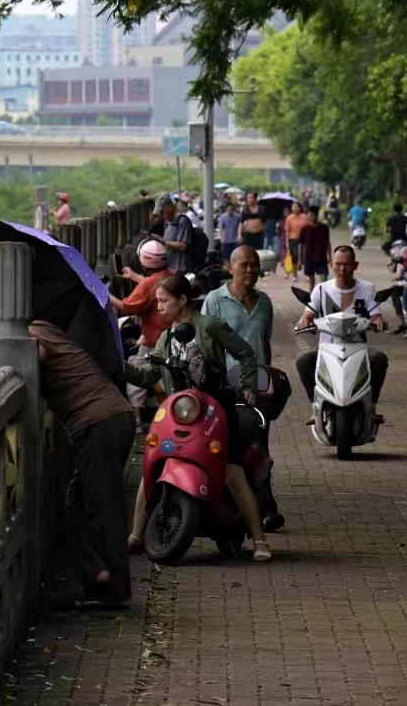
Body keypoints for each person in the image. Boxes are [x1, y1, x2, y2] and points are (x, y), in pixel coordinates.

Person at [127, 274, 273, 562]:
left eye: (163, 301)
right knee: (153, 466)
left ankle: (260, 540)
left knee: (231, 473)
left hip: (215, 412)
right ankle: (135, 535)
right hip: (179, 415)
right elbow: (149, 376)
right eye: (157, 301)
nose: (159, 307)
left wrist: (247, 384)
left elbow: (245, 353)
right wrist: (119, 367)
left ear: (182, 300)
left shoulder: (209, 326)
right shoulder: (166, 337)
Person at [28, 318, 137, 608]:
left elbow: (37, 354)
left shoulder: (34, 332)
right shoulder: (50, 328)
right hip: (111, 417)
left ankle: (116, 592)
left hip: (98, 424)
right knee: (76, 503)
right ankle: (97, 575)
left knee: (105, 509)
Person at [201, 245, 291, 531]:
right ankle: (241, 508)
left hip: (257, 389)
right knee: (230, 447)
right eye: (244, 265)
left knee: (258, 446)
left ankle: (266, 509)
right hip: (226, 388)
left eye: (254, 264)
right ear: (231, 268)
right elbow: (205, 345)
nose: (250, 270)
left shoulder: (264, 303)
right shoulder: (215, 300)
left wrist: (265, 381)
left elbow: (264, 345)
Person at [294, 245, 389, 424]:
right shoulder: (321, 289)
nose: (342, 268)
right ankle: (315, 406)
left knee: (379, 359)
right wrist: (304, 321)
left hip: (358, 348)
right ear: (331, 264)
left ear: (355, 265)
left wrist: (378, 321)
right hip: (327, 349)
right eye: (338, 264)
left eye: (347, 264)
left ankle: (372, 406)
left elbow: (375, 314)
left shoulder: (367, 288)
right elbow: (308, 314)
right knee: (303, 361)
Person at [109, 238, 174, 430]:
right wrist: (134, 276)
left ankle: (137, 420)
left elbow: (126, 306)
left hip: (153, 340)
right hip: (171, 337)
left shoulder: (147, 285)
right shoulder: (171, 275)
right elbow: (155, 284)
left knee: (137, 376)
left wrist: (104, 293)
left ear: (143, 260)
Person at [298, 206, 332, 290]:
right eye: (309, 215)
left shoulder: (324, 228)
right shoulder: (304, 229)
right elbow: (301, 245)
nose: (310, 217)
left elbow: (327, 243)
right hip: (309, 258)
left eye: (312, 215)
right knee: (311, 281)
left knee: (324, 281)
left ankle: (323, 296)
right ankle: (312, 296)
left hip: (321, 258)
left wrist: (330, 257)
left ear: (316, 215)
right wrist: (300, 260)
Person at [161, 200, 193, 274]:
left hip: (181, 267)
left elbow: (182, 246)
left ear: (170, 208)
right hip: (170, 265)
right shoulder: (167, 222)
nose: (162, 216)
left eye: (163, 212)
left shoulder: (183, 221)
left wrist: (163, 241)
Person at [284, 201, 310, 281]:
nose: (294, 208)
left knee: (305, 257)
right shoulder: (289, 218)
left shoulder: (305, 217)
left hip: (303, 240)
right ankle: (295, 275)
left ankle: (307, 274)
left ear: (299, 208)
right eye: (293, 207)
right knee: (294, 257)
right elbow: (287, 231)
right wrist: (287, 242)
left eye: (296, 207)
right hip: (293, 239)